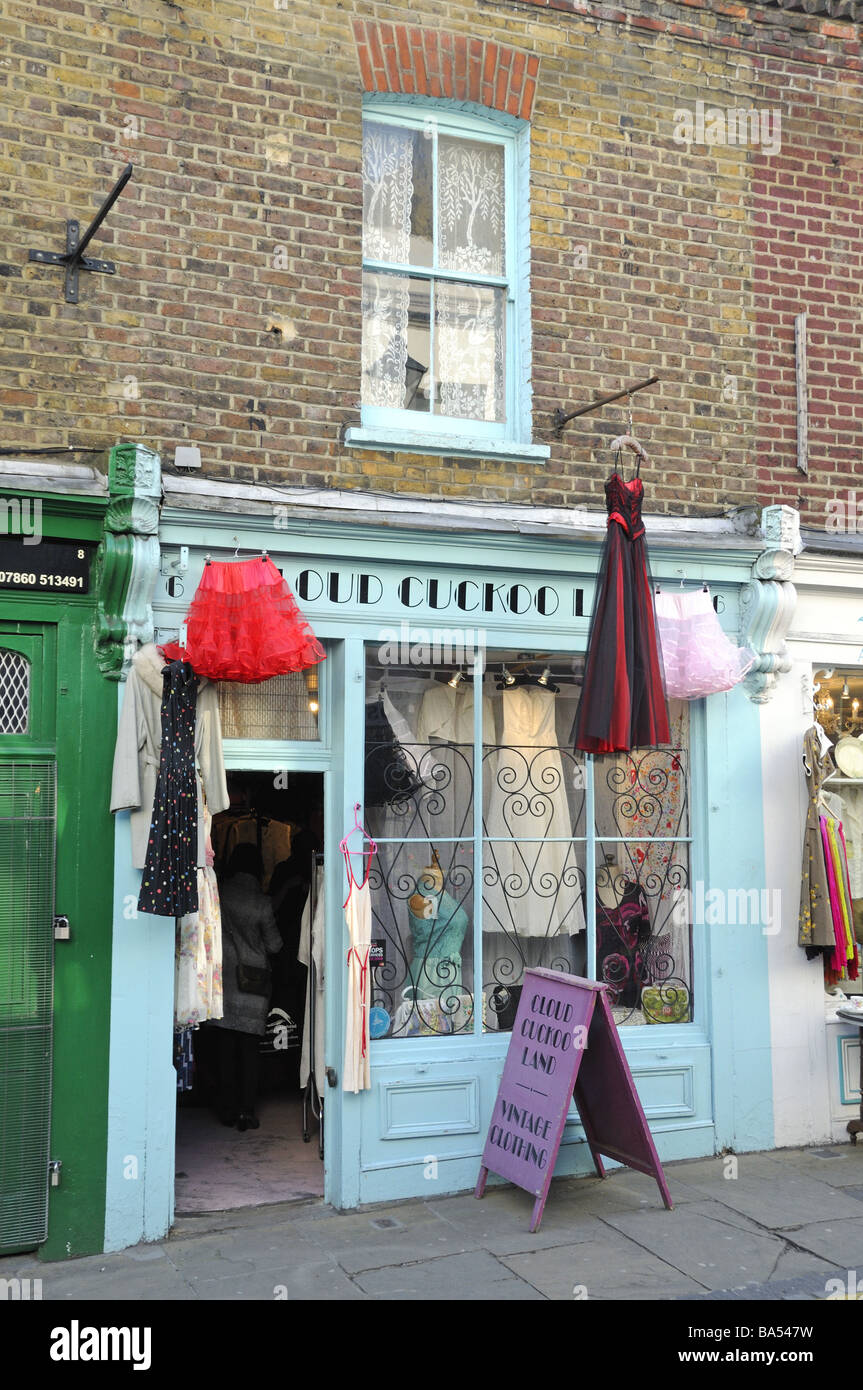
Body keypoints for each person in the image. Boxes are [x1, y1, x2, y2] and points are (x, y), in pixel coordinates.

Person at [208, 843, 282, 1130]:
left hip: (223, 979)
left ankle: (226, 1108)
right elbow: (275, 945)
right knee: (249, 1050)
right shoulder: (261, 903)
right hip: (253, 981)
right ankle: (246, 1111)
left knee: (225, 1048)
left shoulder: (220, 893)